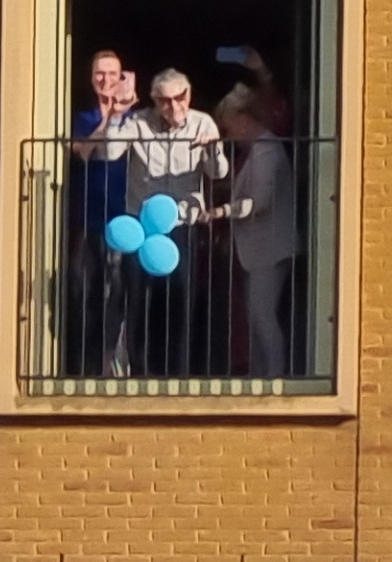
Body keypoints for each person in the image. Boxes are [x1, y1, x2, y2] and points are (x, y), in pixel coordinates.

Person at [96, 67, 223, 377]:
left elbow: (218, 172)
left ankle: (177, 374)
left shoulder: (202, 122)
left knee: (181, 302)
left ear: (188, 96)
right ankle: (140, 373)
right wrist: (115, 115)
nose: (173, 106)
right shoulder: (139, 122)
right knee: (137, 300)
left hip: (181, 225)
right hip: (141, 227)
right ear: (154, 100)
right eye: (165, 100)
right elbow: (110, 152)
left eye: (179, 98)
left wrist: (212, 147)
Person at [205, 82, 300, 380]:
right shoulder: (259, 150)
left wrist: (222, 211)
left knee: (263, 315)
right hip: (260, 249)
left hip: (271, 248)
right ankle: (260, 374)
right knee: (255, 315)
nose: (230, 134)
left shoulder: (268, 152)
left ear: (245, 120)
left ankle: (273, 375)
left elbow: (258, 203)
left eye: (230, 126)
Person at [61, 48, 134, 377]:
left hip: (127, 221)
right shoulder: (82, 118)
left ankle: (112, 367)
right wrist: (110, 118)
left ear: (123, 78)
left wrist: (123, 115)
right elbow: (82, 152)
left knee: (118, 298)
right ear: (91, 79)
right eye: (99, 74)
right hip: (89, 219)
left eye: (112, 73)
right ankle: (85, 370)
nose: (106, 80)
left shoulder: (138, 119)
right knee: (85, 296)